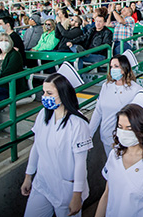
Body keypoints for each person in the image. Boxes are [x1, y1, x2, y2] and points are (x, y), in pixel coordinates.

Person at [21, 66, 92, 217]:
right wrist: (28, 176)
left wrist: (76, 195)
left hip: (66, 188)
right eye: (44, 92)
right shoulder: (43, 115)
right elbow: (36, 147)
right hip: (42, 183)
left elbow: (80, 163)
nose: (44, 96)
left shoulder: (78, 124)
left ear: (63, 94)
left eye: (49, 93)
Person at [95, 100, 143, 217]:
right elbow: (107, 194)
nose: (123, 132)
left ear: (141, 130)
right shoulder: (114, 155)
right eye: (120, 127)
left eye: (129, 128)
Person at [89, 52, 142, 156]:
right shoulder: (106, 86)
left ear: (124, 68)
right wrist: (89, 134)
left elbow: (139, 117)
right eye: (111, 66)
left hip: (125, 140)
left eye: (116, 66)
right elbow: (98, 111)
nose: (113, 69)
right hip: (106, 137)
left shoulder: (135, 90)